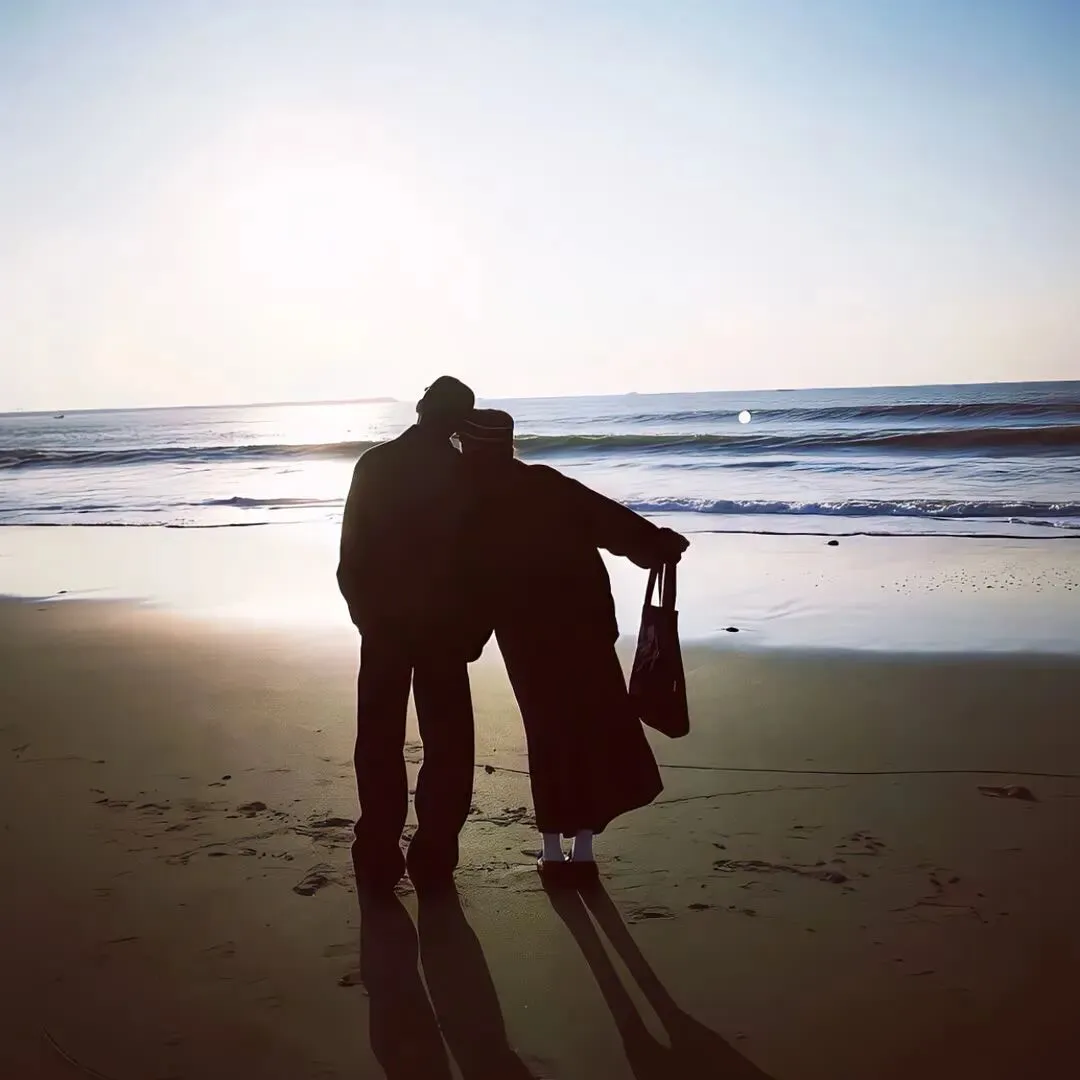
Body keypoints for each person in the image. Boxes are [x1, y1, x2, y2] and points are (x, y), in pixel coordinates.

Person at [459, 408, 689, 881]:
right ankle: (583, 850)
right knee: (592, 728)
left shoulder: (471, 502)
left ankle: (550, 849)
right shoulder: (546, 483)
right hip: (585, 625)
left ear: (472, 447)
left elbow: (471, 580)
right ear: (508, 445)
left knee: (547, 733)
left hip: (526, 637)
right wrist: (658, 544)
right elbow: (610, 522)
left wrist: (466, 639)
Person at [337, 376, 481, 893]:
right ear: (461, 421)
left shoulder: (375, 464)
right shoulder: (464, 473)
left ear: (421, 407)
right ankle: (434, 857)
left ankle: (378, 854)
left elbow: (351, 553)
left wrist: (364, 615)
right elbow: (480, 563)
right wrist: (475, 629)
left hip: (385, 623)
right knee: (448, 744)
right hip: (444, 626)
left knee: (379, 740)